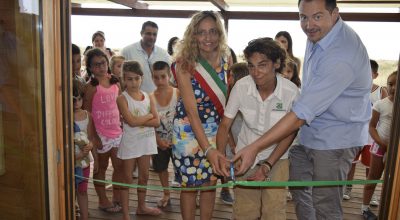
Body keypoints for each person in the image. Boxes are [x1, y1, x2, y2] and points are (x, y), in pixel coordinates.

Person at [215, 1, 372, 219]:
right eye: (303, 17)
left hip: (334, 139)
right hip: (308, 136)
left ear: (335, 13)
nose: (309, 25)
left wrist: (257, 152)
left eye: (317, 16)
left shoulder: (342, 54)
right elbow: (226, 124)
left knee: (324, 205)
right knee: (301, 195)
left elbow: (299, 115)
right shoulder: (319, 36)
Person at [217, 38, 299, 219]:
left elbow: (290, 132)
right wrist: (221, 156)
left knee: (274, 211)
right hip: (244, 155)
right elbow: (224, 126)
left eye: (262, 65)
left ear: (277, 63)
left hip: (278, 157)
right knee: (244, 211)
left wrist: (268, 164)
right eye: (251, 66)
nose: (256, 72)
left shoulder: (291, 92)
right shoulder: (241, 86)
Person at [171, 10, 231, 220]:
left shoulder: (226, 58)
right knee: (189, 185)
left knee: (210, 183)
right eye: (202, 32)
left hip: (216, 129)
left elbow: (228, 100)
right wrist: (208, 149)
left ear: (219, 34)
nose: (208, 38)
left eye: (213, 32)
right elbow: (191, 112)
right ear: (193, 35)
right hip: (188, 131)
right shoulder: (184, 63)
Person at [117, 60, 161, 219]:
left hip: (146, 142)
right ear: (123, 79)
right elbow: (131, 121)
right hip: (130, 144)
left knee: (144, 176)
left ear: (142, 78)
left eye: (136, 78)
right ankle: (126, 213)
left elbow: (157, 122)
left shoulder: (149, 96)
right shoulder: (122, 98)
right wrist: (149, 115)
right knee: (127, 178)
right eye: (129, 79)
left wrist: (142, 119)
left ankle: (141, 207)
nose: (133, 82)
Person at [83, 48, 122, 213]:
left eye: (103, 63)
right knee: (101, 167)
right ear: (90, 68)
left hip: (117, 133)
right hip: (100, 135)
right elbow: (86, 114)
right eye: (96, 65)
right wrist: (93, 137)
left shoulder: (115, 82)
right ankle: (102, 200)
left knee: (119, 167)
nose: (101, 67)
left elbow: (119, 105)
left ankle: (117, 197)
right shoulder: (91, 87)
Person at [343, 59, 387, 203]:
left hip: (372, 137)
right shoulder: (354, 89)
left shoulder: (381, 91)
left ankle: (371, 194)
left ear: (375, 75)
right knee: (351, 163)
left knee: (371, 167)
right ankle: (347, 188)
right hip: (355, 134)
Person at [362, 71, 397, 220]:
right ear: (386, 85)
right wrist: (382, 143)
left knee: (393, 181)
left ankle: (390, 209)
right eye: (390, 84)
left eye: (397, 84)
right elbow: (371, 127)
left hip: (397, 151)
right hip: (379, 147)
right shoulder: (380, 104)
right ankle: (365, 208)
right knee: (373, 178)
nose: (394, 87)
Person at [150, 61, 180, 208]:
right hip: (159, 142)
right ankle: (166, 194)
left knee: (182, 169)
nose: (160, 81)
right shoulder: (150, 98)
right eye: (156, 77)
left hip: (179, 141)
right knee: (161, 169)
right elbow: (150, 124)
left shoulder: (178, 92)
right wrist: (158, 141)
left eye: (163, 76)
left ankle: (191, 195)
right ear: (151, 77)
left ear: (169, 76)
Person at [121, 21, 171, 93]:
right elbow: (119, 75)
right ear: (141, 33)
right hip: (134, 99)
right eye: (148, 33)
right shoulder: (127, 51)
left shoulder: (163, 54)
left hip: (157, 98)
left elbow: (169, 76)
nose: (151, 37)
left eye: (154, 34)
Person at [73, 79, 95, 220]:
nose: (76, 103)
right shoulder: (63, 116)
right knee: (70, 191)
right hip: (71, 160)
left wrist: (90, 145)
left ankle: (85, 216)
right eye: (72, 100)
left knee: (82, 190)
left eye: (79, 99)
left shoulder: (88, 115)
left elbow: (91, 137)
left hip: (85, 161)